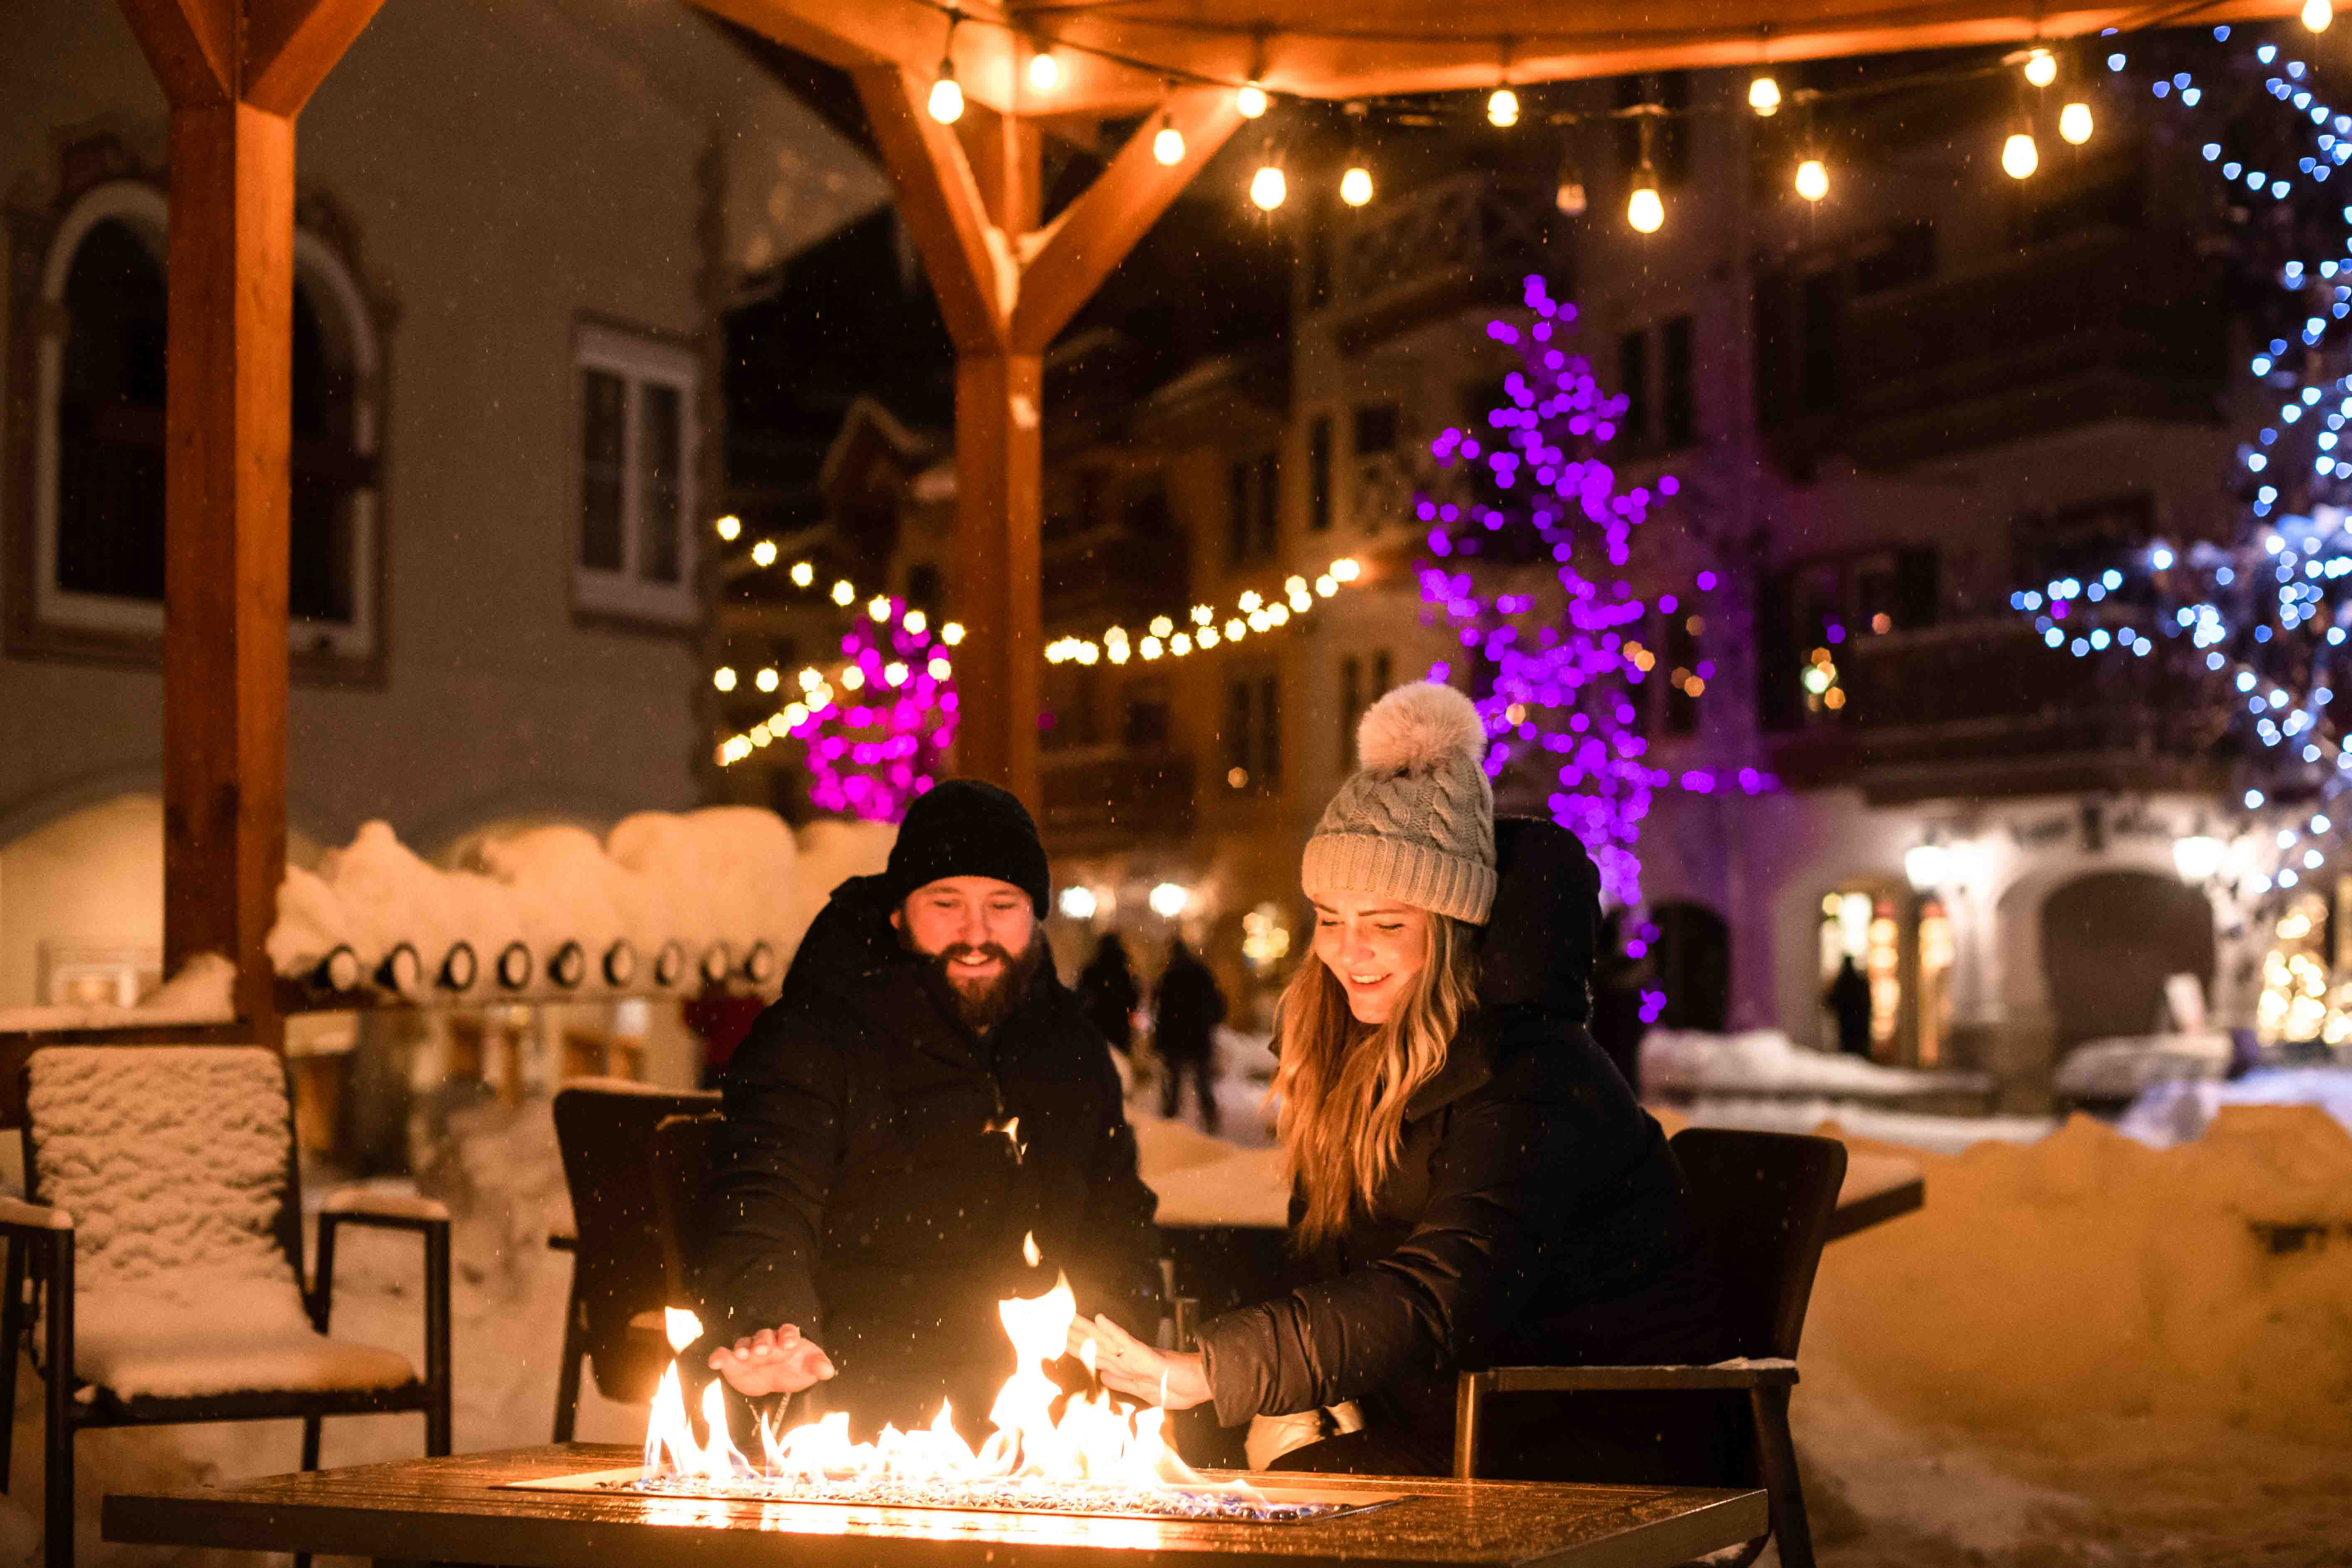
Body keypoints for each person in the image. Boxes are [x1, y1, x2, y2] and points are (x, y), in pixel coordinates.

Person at [1071, 683, 1737, 1484]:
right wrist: (1298, 1396)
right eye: (1330, 919)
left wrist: (1217, 1370)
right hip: (1458, 1408)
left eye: (1386, 924)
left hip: (1609, 1432)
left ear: (1452, 933)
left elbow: (1442, 1294)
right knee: (1191, 1461)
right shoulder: (1356, 1047)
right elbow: (1328, 1257)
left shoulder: (1532, 1079)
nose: (1349, 951)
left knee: (1271, 1486)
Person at [694, 779, 1162, 1438]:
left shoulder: (1069, 1047)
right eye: (946, 903)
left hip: (1045, 1413)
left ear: (1033, 915)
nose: (976, 934)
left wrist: (1118, 1333)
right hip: (863, 1404)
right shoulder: (817, 1035)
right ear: (898, 913)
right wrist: (772, 1321)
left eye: (1002, 904)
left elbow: (1115, 1215)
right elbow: (764, 1192)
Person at [1152, 938, 1227, 1132]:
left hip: (1174, 1038)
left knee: (1173, 1084)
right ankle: (1210, 1121)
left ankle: (1170, 1123)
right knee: (1202, 1083)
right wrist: (1208, 1022)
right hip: (1198, 1037)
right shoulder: (1200, 973)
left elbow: (1158, 1009)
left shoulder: (1168, 976)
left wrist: (1160, 1036)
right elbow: (1217, 1001)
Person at [1076, 932, 1141, 1057]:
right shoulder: (1124, 974)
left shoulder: (1092, 972)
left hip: (1097, 1028)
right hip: (1119, 1029)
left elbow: (1082, 999)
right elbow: (1133, 1001)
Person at [1827, 954, 1873, 1057]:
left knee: (1849, 1052)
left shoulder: (1843, 982)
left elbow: (1833, 1001)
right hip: (1858, 1026)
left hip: (1848, 1026)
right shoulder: (1859, 981)